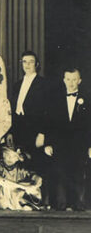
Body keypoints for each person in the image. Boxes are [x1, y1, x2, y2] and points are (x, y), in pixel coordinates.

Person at [38, 68, 91, 211]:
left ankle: (77, 207)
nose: (71, 83)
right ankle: (60, 208)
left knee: (78, 175)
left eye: (74, 79)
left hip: (79, 146)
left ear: (79, 81)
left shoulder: (87, 99)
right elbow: (48, 123)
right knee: (59, 175)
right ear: (63, 80)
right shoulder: (54, 99)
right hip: (59, 145)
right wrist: (47, 144)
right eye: (68, 79)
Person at [10, 50, 50, 164]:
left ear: (37, 64)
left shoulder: (43, 84)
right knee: (20, 165)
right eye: (24, 62)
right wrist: (11, 132)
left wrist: (42, 134)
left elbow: (47, 112)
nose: (27, 65)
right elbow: (13, 110)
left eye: (31, 62)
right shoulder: (17, 85)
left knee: (35, 164)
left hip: (34, 131)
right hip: (19, 130)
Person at [0, 142, 43, 210]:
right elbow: (1, 180)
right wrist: (23, 187)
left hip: (13, 192)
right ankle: (19, 204)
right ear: (3, 155)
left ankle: (25, 203)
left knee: (31, 188)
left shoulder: (19, 168)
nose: (9, 158)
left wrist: (36, 182)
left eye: (13, 156)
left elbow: (34, 176)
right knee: (7, 188)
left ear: (18, 158)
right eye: (7, 155)